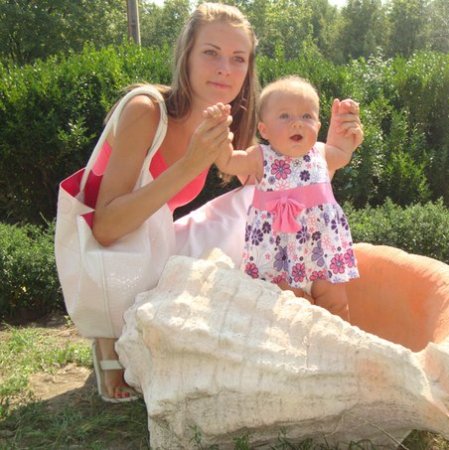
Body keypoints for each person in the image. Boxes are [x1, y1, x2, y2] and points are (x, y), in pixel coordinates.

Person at [78, 5, 362, 402]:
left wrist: (334, 150)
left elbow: (287, 186)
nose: (224, 69)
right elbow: (105, 228)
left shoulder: (230, 119)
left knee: (256, 202)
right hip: (114, 253)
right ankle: (111, 331)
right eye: (211, 53)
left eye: (238, 58)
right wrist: (189, 165)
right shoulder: (146, 110)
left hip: (156, 240)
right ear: (186, 56)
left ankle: (301, 325)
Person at [212, 75, 363, 321]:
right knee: (287, 307)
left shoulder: (321, 152)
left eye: (307, 116)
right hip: (278, 256)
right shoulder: (260, 156)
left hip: (322, 248)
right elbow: (228, 162)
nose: (297, 124)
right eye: (285, 116)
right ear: (264, 130)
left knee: (336, 303)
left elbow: (342, 153)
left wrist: (343, 132)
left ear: (318, 125)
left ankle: (338, 340)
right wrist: (219, 134)